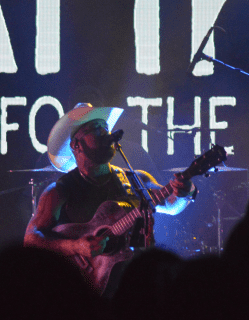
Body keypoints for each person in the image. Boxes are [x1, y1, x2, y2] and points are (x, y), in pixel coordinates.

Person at [24, 104, 196, 295]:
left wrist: (186, 192)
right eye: (95, 129)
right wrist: (75, 246)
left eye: (105, 128)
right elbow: (31, 239)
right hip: (83, 292)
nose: (105, 133)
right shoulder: (60, 190)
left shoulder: (135, 180)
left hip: (135, 286)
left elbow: (171, 205)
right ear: (76, 145)